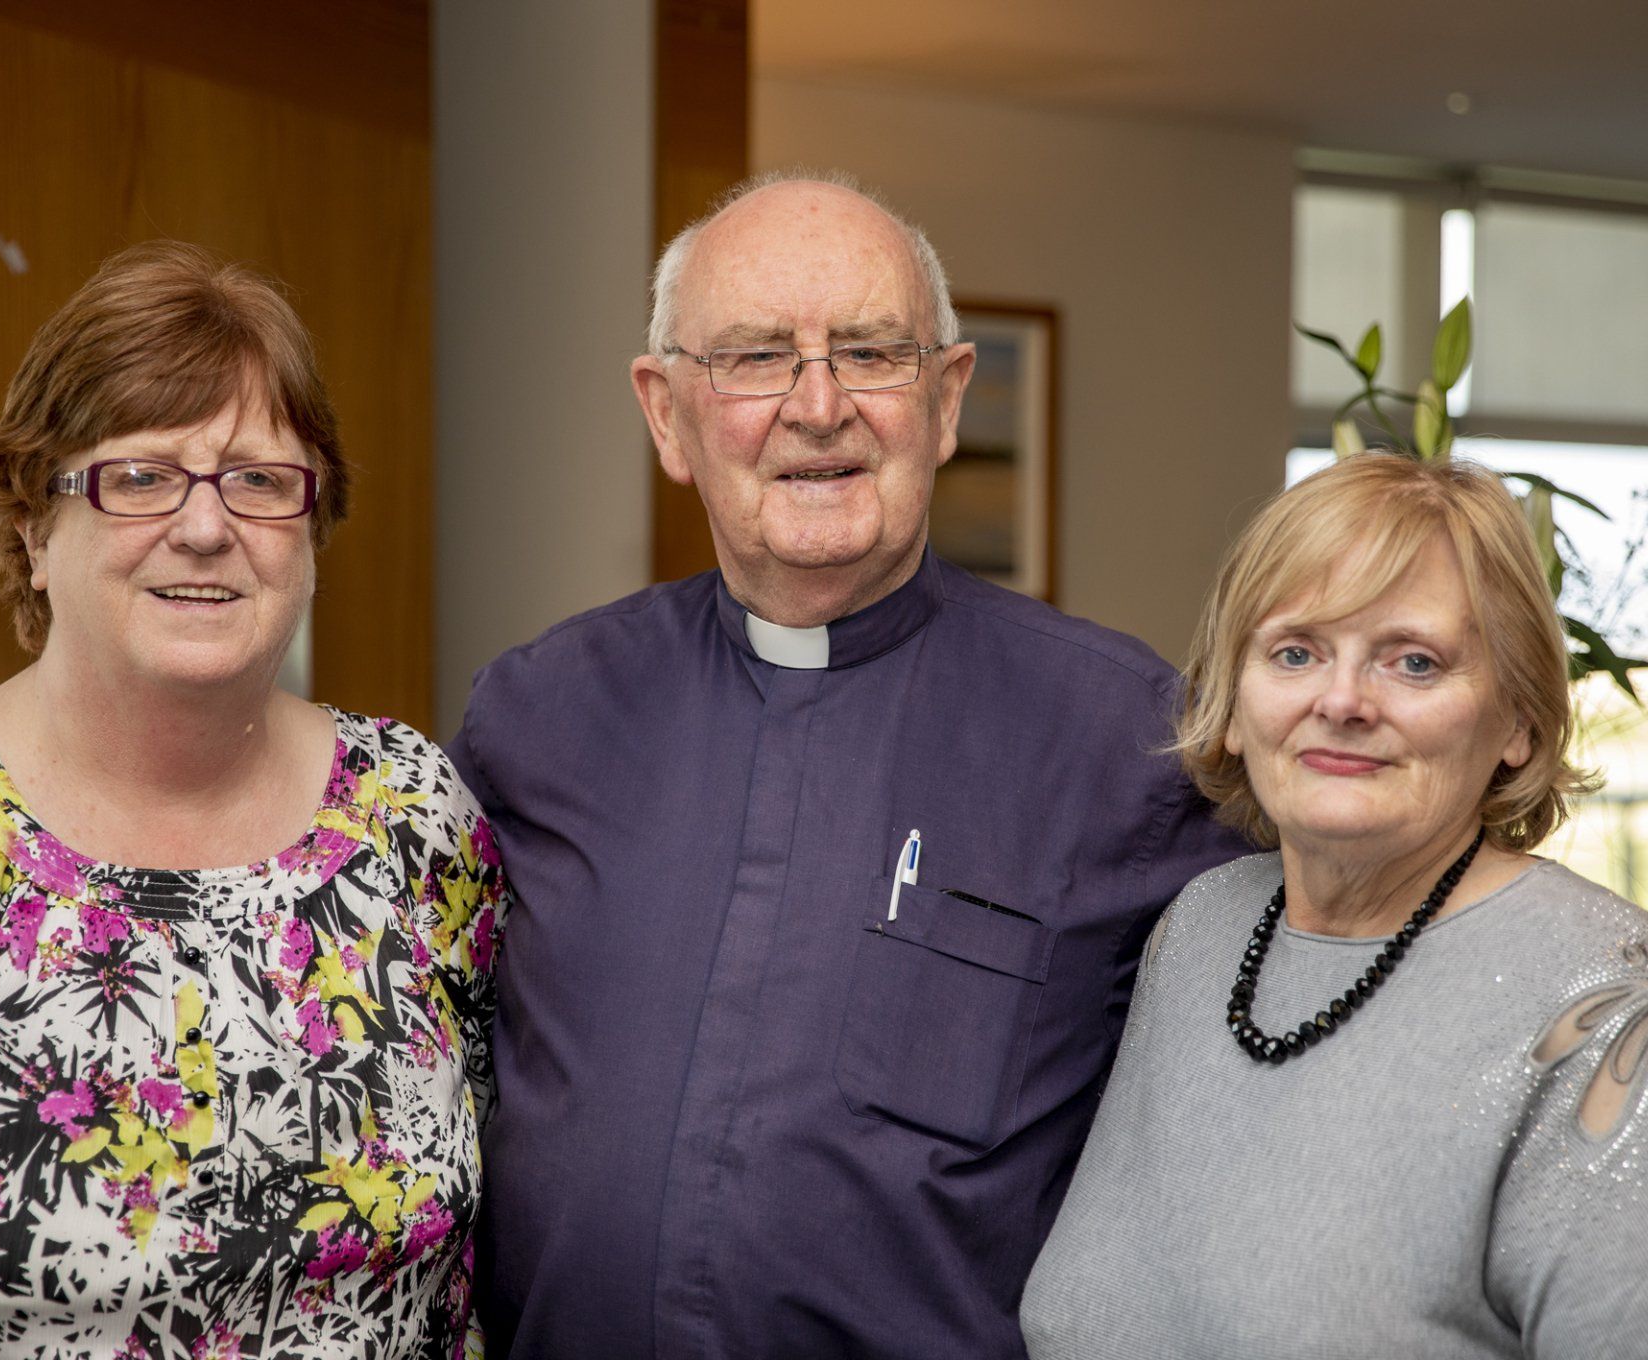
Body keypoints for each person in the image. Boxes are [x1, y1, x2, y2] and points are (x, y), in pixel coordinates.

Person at [448, 170, 1246, 1360]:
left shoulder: (1128, 743)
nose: (818, 406)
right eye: (756, 357)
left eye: (871, 353)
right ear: (666, 413)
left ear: (946, 397)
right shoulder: (539, 715)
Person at [0, 242, 507, 1360]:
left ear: (312, 536)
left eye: (260, 480)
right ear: (33, 527)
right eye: (139, 476)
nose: (207, 526)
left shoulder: (418, 822)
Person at [1021, 453, 1648, 1358]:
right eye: (1296, 651)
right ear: (1233, 703)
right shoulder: (1199, 929)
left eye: (1414, 662)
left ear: (1519, 723)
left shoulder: (1622, 1012)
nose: (1342, 701)